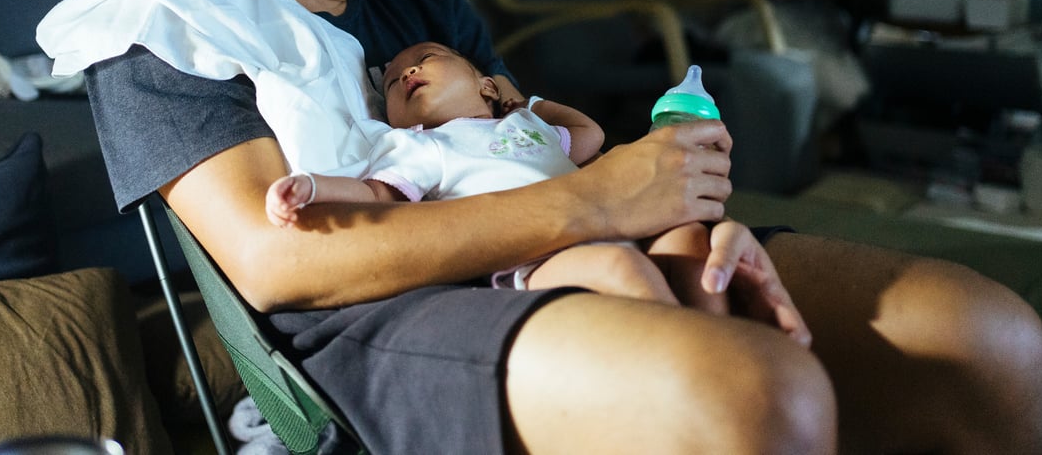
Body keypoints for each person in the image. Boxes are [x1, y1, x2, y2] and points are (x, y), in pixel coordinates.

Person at [38, 0, 1042, 454]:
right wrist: (600, 198)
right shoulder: (172, 5)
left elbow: (527, 153)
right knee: (763, 399)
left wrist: (684, 227)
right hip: (372, 313)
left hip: (570, 241)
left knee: (989, 341)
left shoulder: (426, 10)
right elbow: (273, 264)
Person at [266, 40, 733, 315]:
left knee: (690, 241)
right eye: (391, 83)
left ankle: (723, 343)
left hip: (607, 223)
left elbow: (589, 136)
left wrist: (526, 104)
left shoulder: (527, 125)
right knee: (623, 270)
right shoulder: (423, 146)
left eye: (425, 58)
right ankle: (684, 355)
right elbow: (375, 192)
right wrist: (315, 186)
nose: (406, 71)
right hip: (528, 258)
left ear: (486, 86)